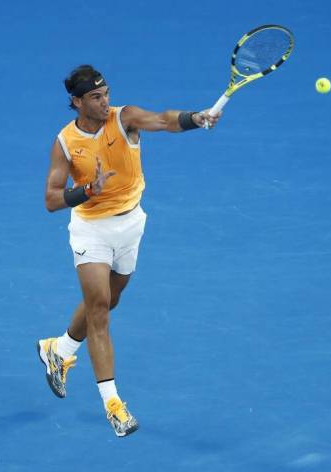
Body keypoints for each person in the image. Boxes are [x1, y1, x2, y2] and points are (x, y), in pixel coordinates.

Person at [38, 64, 221, 437]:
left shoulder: (125, 118)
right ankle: (114, 405)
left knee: (110, 299)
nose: (105, 102)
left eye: (106, 93)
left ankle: (59, 349)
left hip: (131, 224)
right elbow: (51, 200)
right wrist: (87, 191)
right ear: (77, 102)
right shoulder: (64, 143)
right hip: (91, 230)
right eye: (95, 97)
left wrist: (195, 118)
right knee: (99, 311)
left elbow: (164, 120)